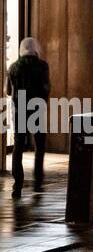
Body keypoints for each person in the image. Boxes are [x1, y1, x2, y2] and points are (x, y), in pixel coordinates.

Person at [8, 37, 50, 198]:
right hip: (37, 109)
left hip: (20, 111)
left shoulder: (13, 67)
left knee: (18, 146)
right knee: (40, 146)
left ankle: (17, 185)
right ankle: (38, 182)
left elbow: (8, 91)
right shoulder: (42, 66)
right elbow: (46, 87)